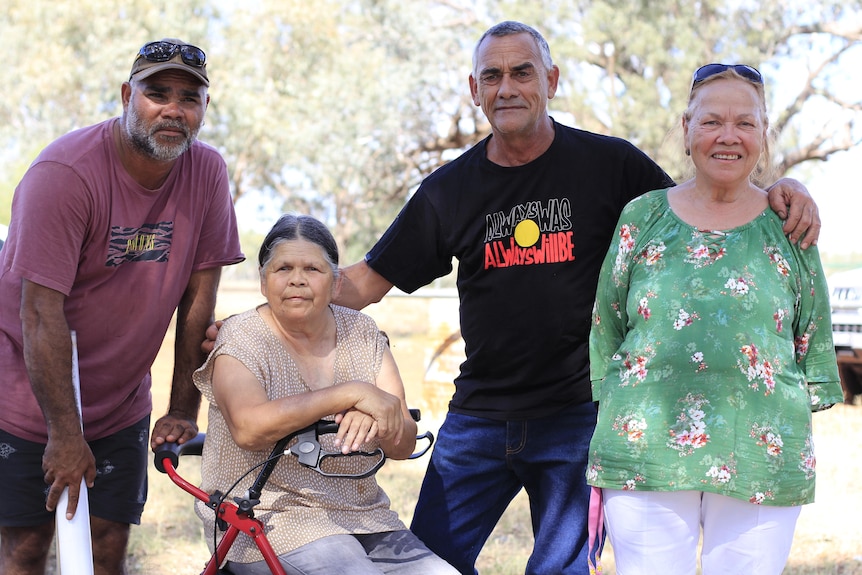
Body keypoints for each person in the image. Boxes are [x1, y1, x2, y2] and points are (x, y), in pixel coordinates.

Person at [203, 22, 822, 575]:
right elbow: (365, 281)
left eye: (522, 72)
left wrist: (778, 193)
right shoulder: (449, 190)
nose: (507, 87)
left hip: (577, 414)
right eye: (491, 76)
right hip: (480, 416)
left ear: (550, 79)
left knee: (561, 569)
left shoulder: (610, 165)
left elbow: (699, 211)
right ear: (475, 90)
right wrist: (268, 308)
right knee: (430, 558)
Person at [586, 64, 844, 575]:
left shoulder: (791, 227)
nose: (728, 136)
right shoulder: (642, 217)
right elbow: (607, 323)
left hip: (761, 453)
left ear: (763, 137)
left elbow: (811, 333)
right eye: (711, 122)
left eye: (745, 123)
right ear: (686, 130)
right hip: (644, 452)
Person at [0, 39, 244, 575]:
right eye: (157, 93)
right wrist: (64, 435)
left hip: (119, 403)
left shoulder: (206, 173)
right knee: (27, 550)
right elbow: (39, 313)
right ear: (126, 96)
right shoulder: (64, 174)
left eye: (190, 98)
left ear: (205, 108)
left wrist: (183, 407)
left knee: (107, 546)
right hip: (26, 400)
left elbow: (199, 298)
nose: (173, 109)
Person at [193, 214, 458, 575]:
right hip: (269, 516)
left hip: (364, 515)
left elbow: (403, 444)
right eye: (283, 267)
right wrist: (354, 393)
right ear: (263, 281)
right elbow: (249, 428)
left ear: (335, 284)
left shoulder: (362, 332)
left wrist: (378, 417)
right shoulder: (242, 337)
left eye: (313, 269)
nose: (297, 279)